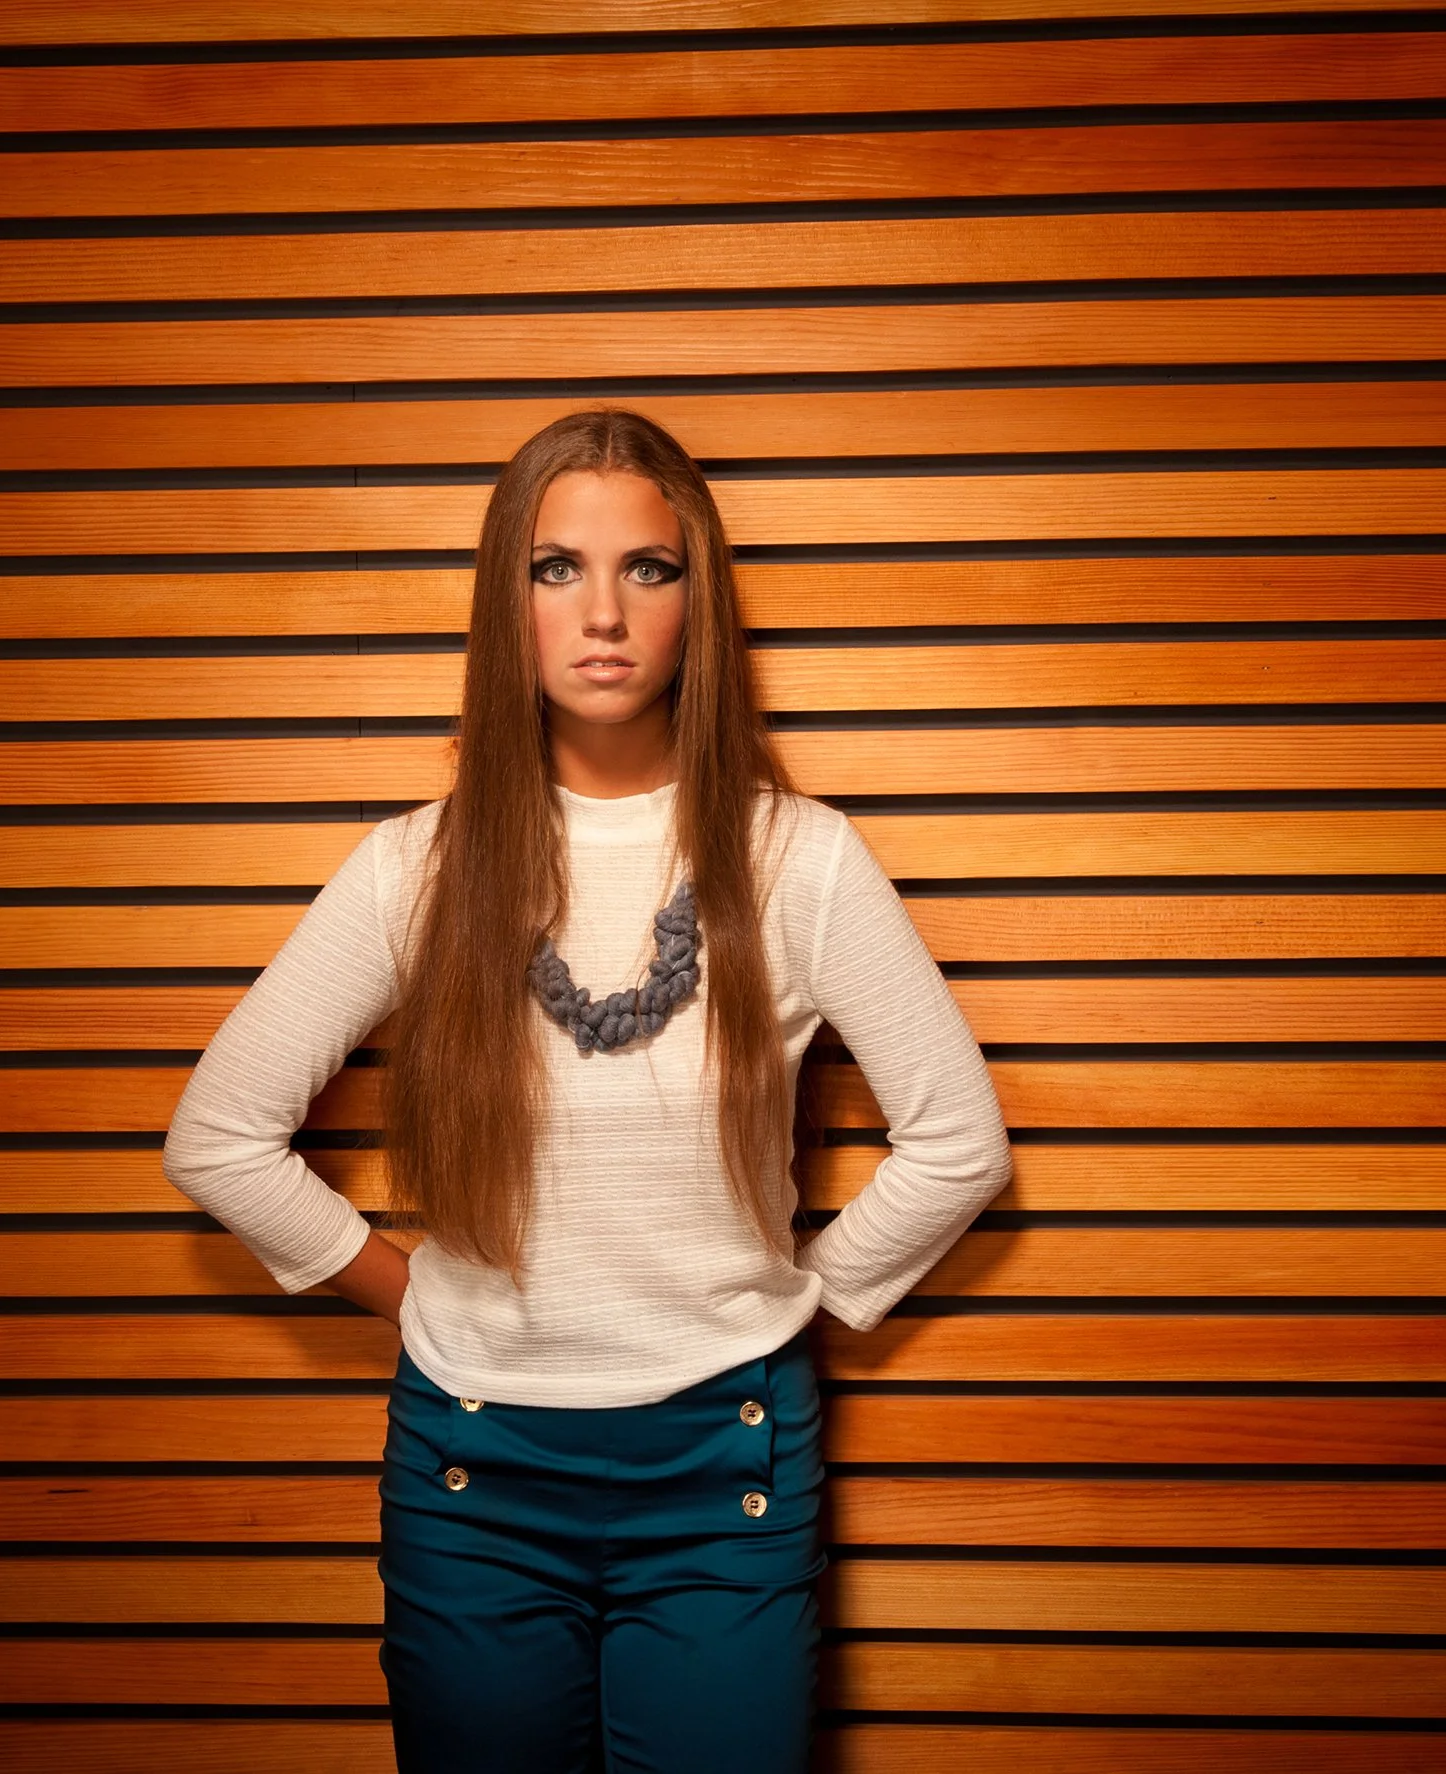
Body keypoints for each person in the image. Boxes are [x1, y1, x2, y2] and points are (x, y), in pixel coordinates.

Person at [161, 407, 1009, 1773]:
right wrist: (414, 1292)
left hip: (726, 1466)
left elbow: (959, 1144)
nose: (602, 611)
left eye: (647, 569)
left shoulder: (801, 857)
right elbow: (220, 1135)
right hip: (471, 1470)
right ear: (507, 602)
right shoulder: (416, 867)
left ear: (698, 601)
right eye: (556, 567)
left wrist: (791, 1292)